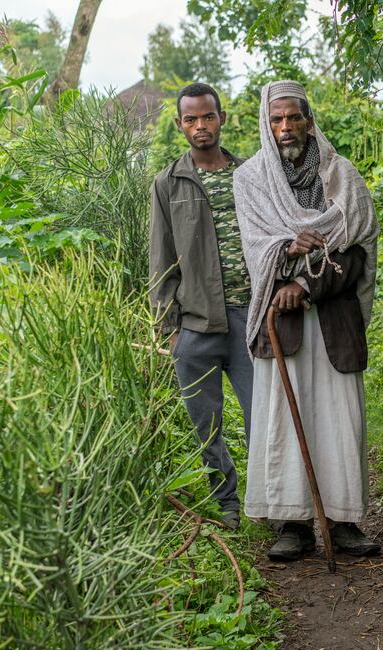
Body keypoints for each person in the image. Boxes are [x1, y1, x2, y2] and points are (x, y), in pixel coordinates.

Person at [232, 79, 380, 560]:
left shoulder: (343, 177)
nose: (285, 127)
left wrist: (307, 285)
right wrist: (286, 249)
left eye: (294, 117)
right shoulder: (251, 180)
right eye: (276, 119)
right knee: (282, 419)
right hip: (282, 323)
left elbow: (356, 252)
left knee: (339, 420)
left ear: (309, 121)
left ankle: (342, 522)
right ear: (265, 124)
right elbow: (257, 252)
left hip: (333, 317)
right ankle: (292, 525)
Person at [148, 82, 252, 529]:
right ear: (179, 125)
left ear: (222, 118)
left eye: (207, 116)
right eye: (190, 119)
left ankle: (277, 508)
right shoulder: (168, 183)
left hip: (252, 320)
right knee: (206, 427)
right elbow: (160, 258)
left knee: (264, 421)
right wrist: (169, 328)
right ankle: (226, 503)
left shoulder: (251, 174)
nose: (200, 126)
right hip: (195, 326)